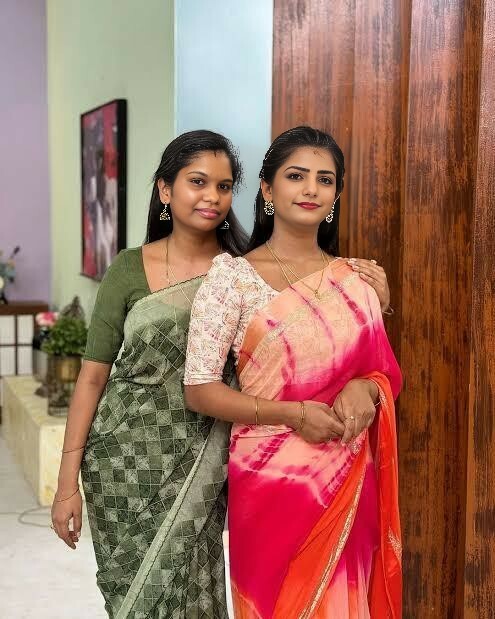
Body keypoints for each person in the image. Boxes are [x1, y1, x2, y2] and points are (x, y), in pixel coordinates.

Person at [51, 128, 392, 619]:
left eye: (224, 186)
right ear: (165, 190)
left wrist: (376, 305)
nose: (212, 196)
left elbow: (319, 344)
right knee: (132, 598)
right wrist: (67, 483)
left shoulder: (247, 269)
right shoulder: (132, 270)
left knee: (199, 597)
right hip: (124, 457)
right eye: (197, 182)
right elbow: (91, 378)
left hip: (208, 457)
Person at [184, 126, 402, 618]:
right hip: (269, 479)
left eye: (325, 180)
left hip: (346, 472)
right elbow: (199, 390)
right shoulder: (232, 278)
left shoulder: (357, 279)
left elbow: (383, 372)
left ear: (336, 195)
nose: (310, 189)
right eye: (296, 176)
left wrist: (366, 388)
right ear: (267, 188)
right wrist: (294, 414)